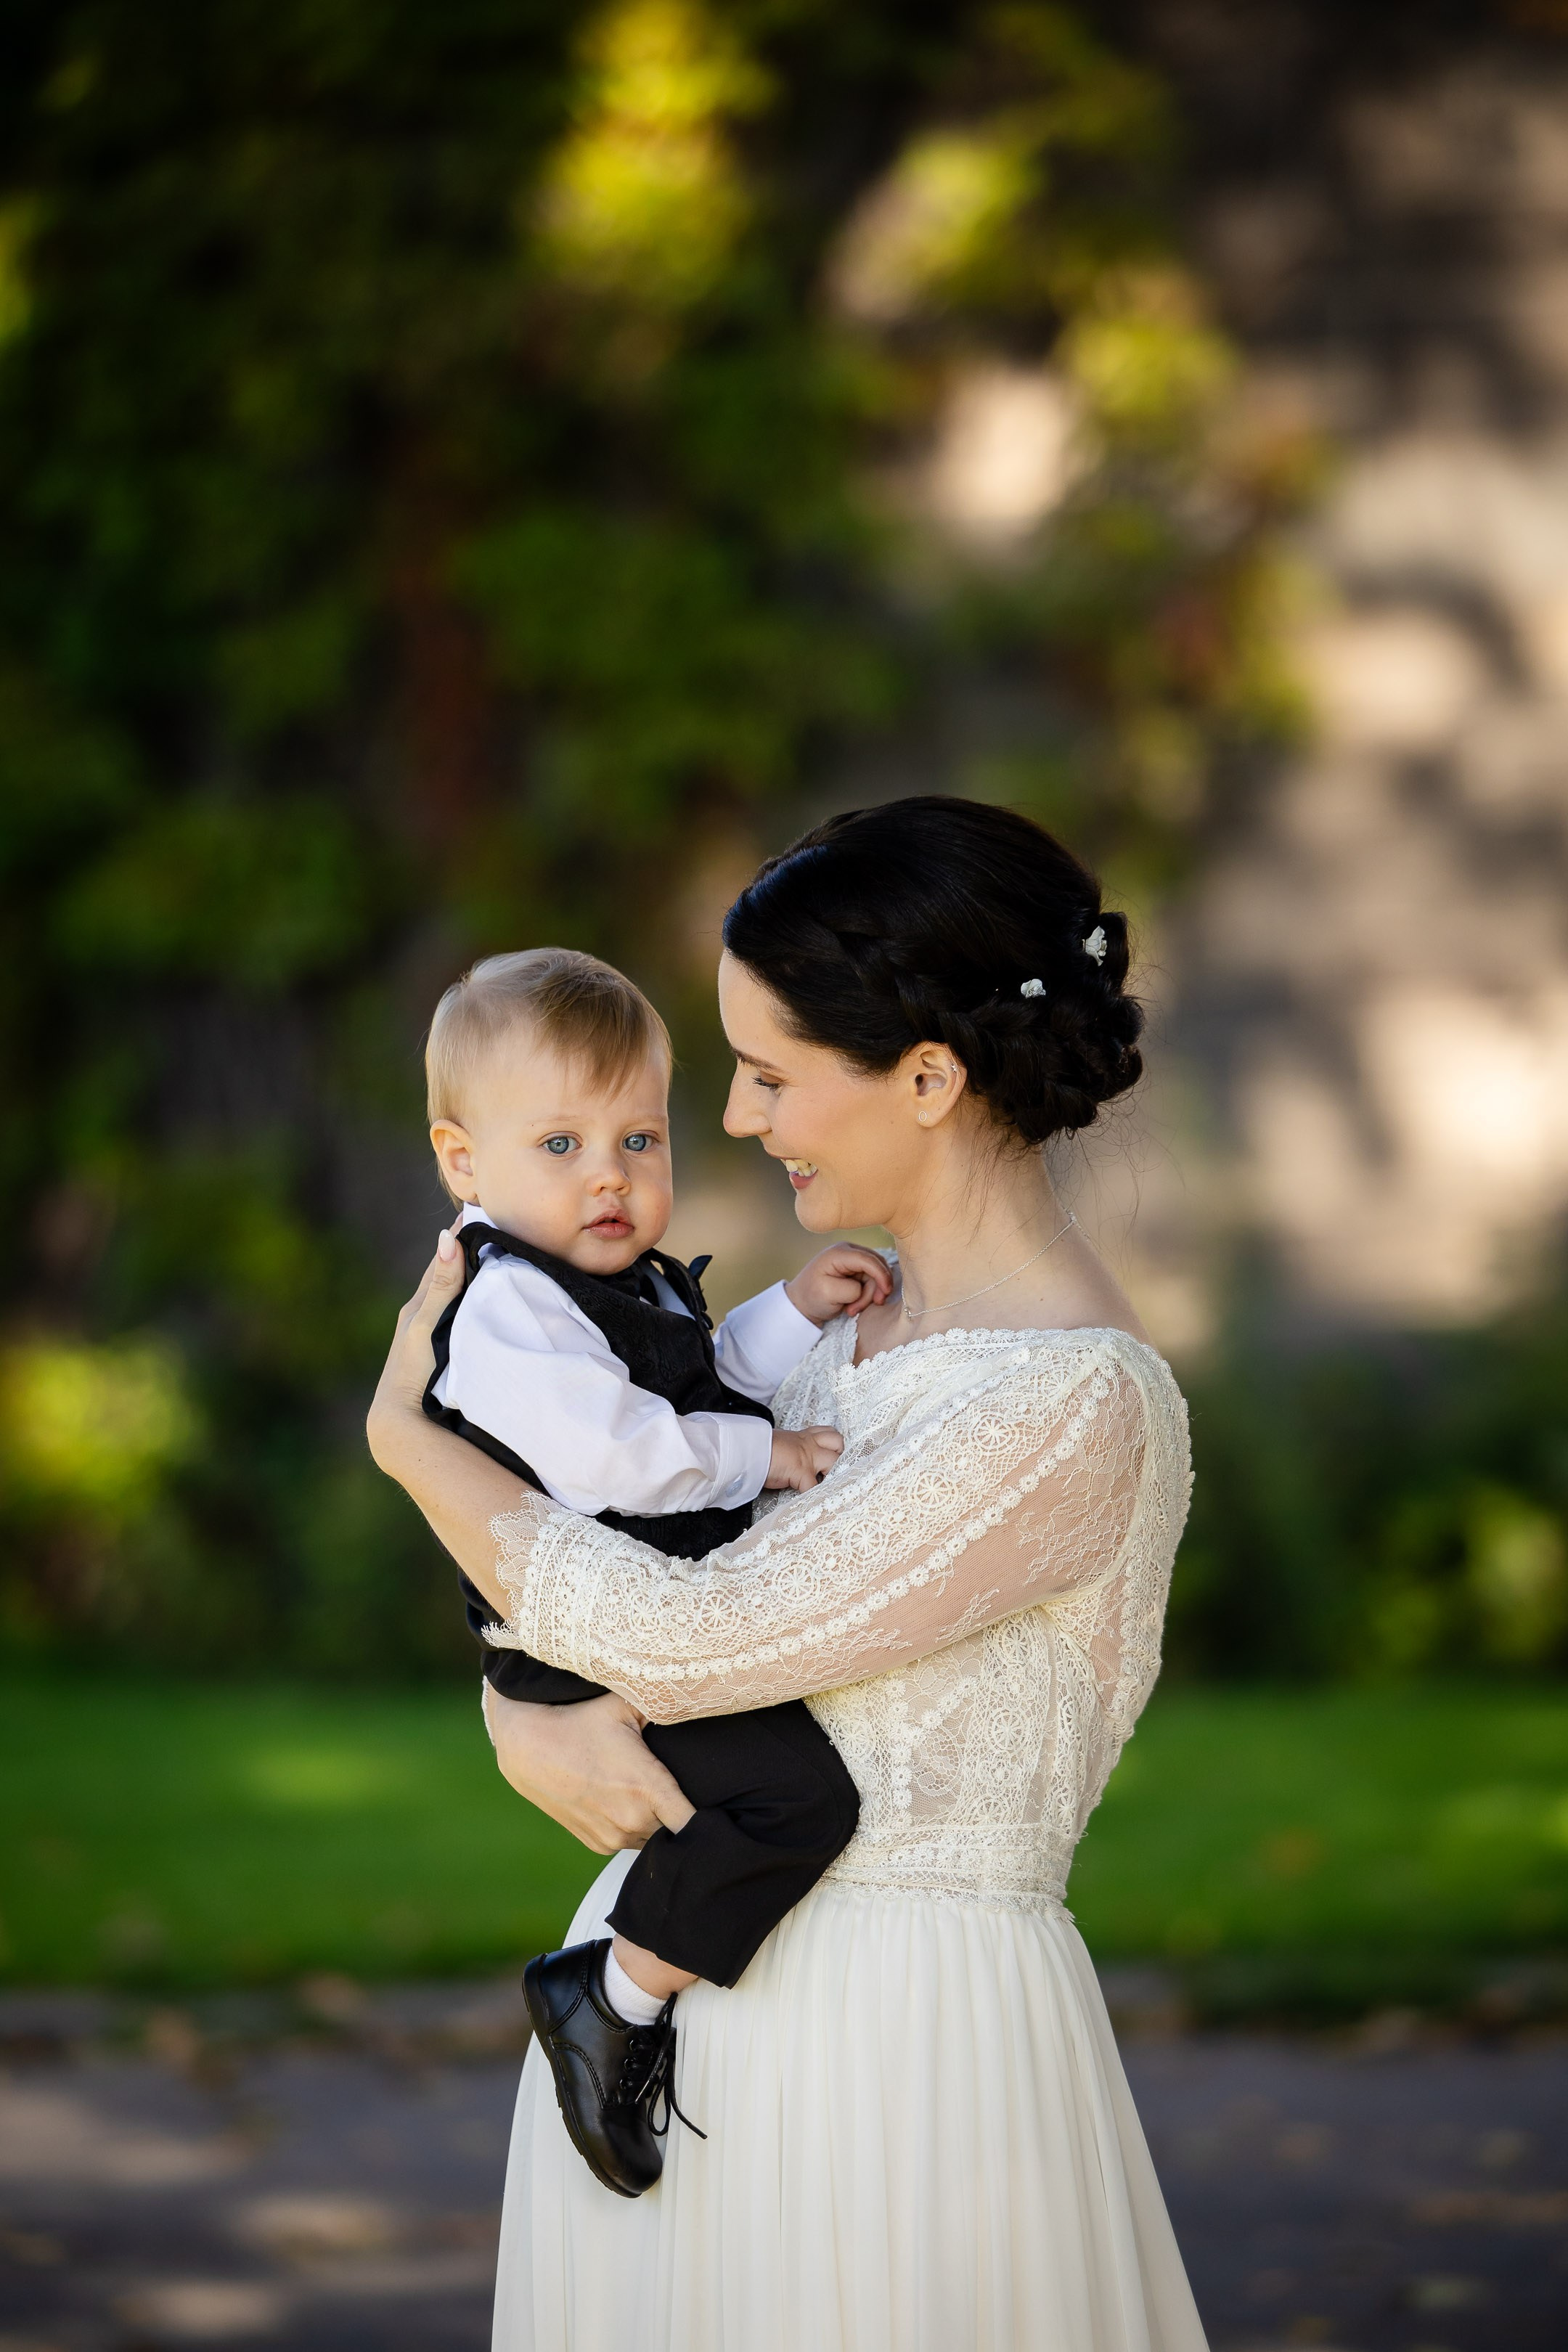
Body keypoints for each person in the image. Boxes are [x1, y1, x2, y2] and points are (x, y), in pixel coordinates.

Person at [369, 796, 1209, 2352]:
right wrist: (526, 1719)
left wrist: (419, 1453)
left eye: (768, 1074)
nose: (739, 1120)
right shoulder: (839, 1340)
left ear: (930, 1079)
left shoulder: (1062, 1402)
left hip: (901, 2060)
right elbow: (631, 1562)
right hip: (695, 2043)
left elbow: (692, 1644)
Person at [420, 944, 888, 2193]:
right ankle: (610, 1997)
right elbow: (619, 1452)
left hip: (643, 1620)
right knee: (793, 1800)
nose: (611, 1178)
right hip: (586, 1644)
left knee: (771, 1793)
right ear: (463, 1163)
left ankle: (640, 1981)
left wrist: (793, 1310)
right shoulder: (508, 1302)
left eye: (639, 1141)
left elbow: (696, 1371)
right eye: (560, 1146)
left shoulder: (604, 1282)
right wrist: (770, 1456)